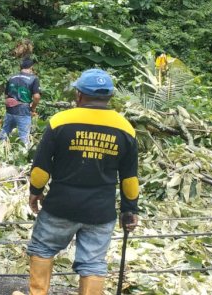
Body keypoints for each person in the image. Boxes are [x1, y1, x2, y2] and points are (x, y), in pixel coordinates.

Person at [14, 69, 139, 295]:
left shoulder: (60, 121)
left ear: (79, 95)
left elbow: (41, 168)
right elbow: (130, 179)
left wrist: (35, 192)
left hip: (61, 206)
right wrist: (130, 210)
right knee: (93, 263)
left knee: (42, 249)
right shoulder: (125, 129)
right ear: (110, 97)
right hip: (100, 211)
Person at [0, 57, 41, 146]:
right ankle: (24, 157)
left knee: (4, 133)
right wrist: (32, 108)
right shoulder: (34, 79)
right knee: (24, 138)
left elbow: (6, 96)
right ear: (31, 67)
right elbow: (36, 97)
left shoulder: (12, 77)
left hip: (10, 110)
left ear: (20, 67)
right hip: (23, 111)